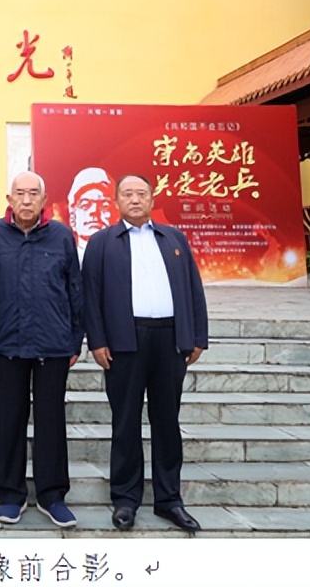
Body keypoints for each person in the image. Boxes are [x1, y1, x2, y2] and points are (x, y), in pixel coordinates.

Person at [82, 173, 208, 533]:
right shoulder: (102, 242)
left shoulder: (173, 238)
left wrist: (197, 336)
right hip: (124, 342)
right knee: (125, 422)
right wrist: (97, 341)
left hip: (170, 340)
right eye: (128, 194)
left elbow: (193, 288)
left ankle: (170, 500)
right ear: (117, 201)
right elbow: (90, 296)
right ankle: (125, 499)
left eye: (141, 194)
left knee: (167, 422)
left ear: (152, 199)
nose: (135, 200)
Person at [0, 171, 82, 528]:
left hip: (53, 345)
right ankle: (10, 495)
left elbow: (75, 289)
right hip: (6, 344)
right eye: (19, 193)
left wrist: (75, 339)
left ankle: (52, 495)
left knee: (51, 421)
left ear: (44, 200)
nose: (26, 200)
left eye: (33, 193)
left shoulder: (61, 236)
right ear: (9, 199)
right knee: (9, 420)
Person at [67, 167, 117, 264]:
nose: (94, 211)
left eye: (104, 206)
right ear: (73, 218)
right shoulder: (64, 262)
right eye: (85, 205)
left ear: (116, 216)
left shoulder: (127, 258)